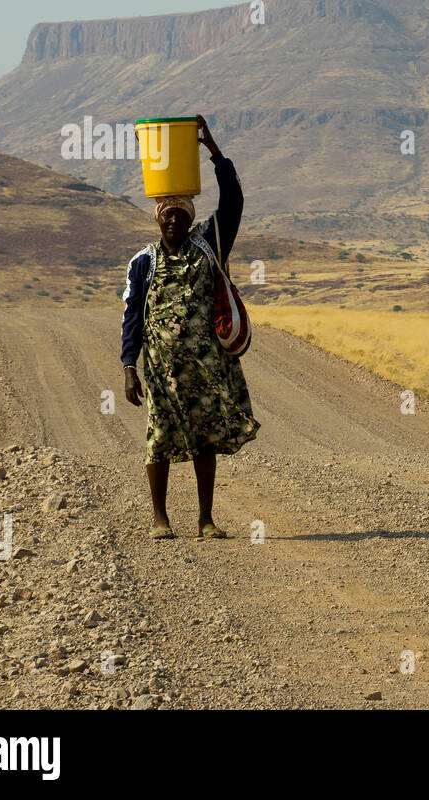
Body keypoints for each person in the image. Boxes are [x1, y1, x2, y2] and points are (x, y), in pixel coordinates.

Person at [120, 115, 260, 539]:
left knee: (204, 440)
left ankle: (206, 519)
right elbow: (131, 315)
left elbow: (233, 200)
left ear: (190, 216)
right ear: (158, 219)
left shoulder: (209, 241)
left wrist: (213, 150)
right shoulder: (143, 261)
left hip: (206, 368)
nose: (175, 222)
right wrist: (129, 365)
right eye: (169, 215)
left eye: (182, 214)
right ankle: (160, 519)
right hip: (162, 372)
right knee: (158, 438)